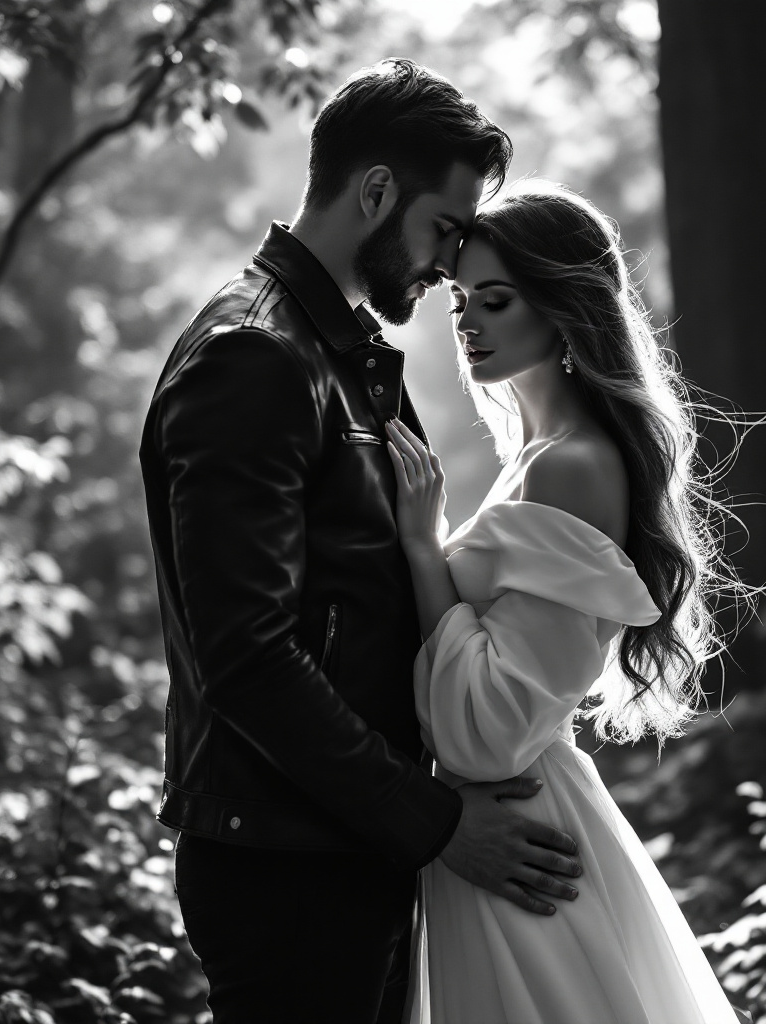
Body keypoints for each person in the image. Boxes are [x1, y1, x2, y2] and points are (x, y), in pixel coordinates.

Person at [138, 65, 582, 1024]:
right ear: (376, 191)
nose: (445, 264)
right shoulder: (254, 356)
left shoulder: (340, 355)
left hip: (345, 842)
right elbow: (247, 655)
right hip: (285, 865)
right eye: (443, 229)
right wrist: (433, 823)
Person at [387, 180, 748, 1023]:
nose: (468, 321)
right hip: (503, 829)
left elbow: (492, 728)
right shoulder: (536, 455)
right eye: (460, 301)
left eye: (497, 300)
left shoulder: (571, 465)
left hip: (519, 835)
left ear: (563, 307)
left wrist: (418, 547)